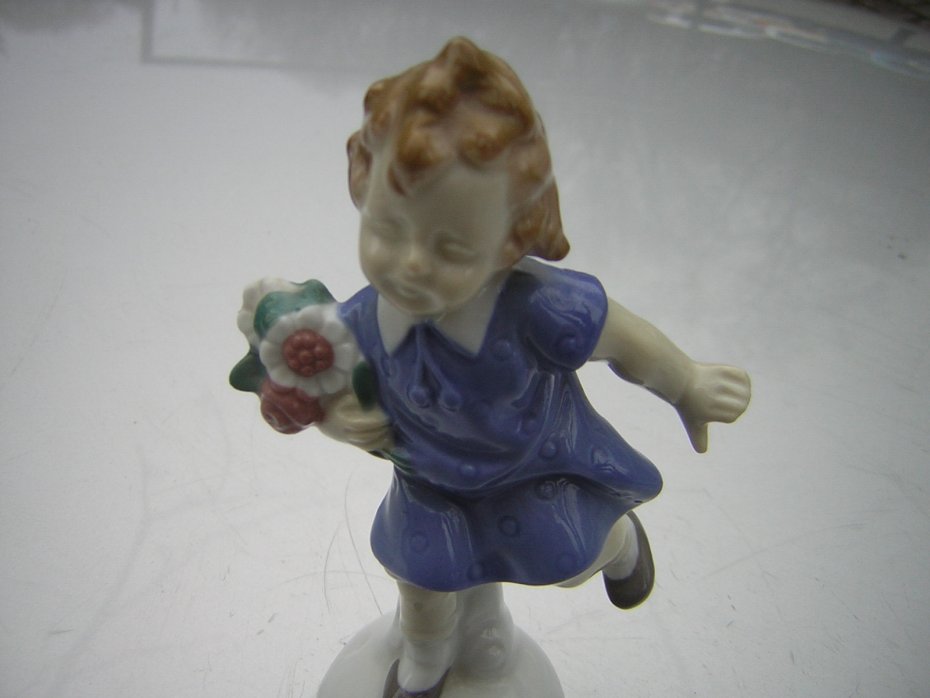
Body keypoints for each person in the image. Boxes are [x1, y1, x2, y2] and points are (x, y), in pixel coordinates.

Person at [313, 37, 751, 698]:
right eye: (386, 229)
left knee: (564, 555)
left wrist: (686, 381)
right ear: (360, 186)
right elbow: (330, 384)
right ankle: (424, 661)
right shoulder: (361, 320)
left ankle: (619, 543)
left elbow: (623, 339)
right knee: (419, 571)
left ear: (511, 240)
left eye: (451, 248)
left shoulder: (536, 308)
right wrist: (330, 408)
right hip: (428, 483)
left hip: (532, 469)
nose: (410, 266)